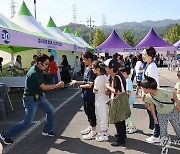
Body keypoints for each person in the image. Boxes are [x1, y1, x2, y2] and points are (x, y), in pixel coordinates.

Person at [0, 54, 64, 145]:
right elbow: (44, 86)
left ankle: (47, 130)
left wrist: (41, 92)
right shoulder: (34, 72)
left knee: (50, 110)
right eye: (45, 64)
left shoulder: (39, 69)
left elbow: (37, 86)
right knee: (27, 122)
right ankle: (5, 135)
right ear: (39, 63)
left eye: (47, 64)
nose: (47, 66)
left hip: (38, 96)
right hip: (30, 99)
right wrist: (58, 85)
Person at [141, 77, 180, 152]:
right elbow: (151, 105)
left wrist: (177, 104)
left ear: (149, 88)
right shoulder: (149, 96)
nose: (142, 89)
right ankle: (164, 148)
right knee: (163, 132)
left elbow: (174, 94)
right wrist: (154, 116)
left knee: (178, 128)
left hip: (172, 111)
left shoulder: (162, 91)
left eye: (143, 88)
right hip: (161, 115)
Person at [70, 51, 97, 140]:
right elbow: (85, 81)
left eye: (84, 59)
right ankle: (90, 127)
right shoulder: (87, 68)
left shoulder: (92, 70)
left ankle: (93, 131)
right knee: (87, 111)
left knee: (91, 112)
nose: (83, 61)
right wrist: (76, 81)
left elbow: (90, 85)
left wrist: (80, 86)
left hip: (90, 95)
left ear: (89, 59)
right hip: (85, 94)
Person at [101, 59, 127, 146]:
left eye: (106, 68)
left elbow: (117, 91)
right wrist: (109, 89)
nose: (105, 69)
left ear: (111, 68)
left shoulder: (116, 77)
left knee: (118, 120)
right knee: (121, 119)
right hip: (120, 101)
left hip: (118, 101)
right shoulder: (117, 75)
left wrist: (107, 86)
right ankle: (122, 135)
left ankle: (121, 139)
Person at [142, 47, 160, 143]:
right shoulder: (149, 65)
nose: (143, 56)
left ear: (150, 56)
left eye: (144, 54)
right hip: (150, 94)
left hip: (152, 95)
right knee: (153, 114)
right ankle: (155, 132)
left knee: (155, 115)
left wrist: (146, 97)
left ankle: (157, 135)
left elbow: (152, 85)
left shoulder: (152, 67)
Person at [92, 60, 109, 142]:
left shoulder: (98, 78)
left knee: (102, 116)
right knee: (105, 115)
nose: (92, 69)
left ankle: (104, 133)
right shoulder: (106, 76)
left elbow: (95, 90)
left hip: (100, 98)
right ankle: (104, 132)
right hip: (105, 98)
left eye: (93, 68)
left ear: (98, 69)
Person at [119, 66, 136, 134]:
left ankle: (133, 127)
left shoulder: (128, 81)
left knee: (130, 115)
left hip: (128, 102)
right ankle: (129, 126)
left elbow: (128, 92)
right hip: (127, 101)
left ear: (125, 73)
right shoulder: (126, 80)